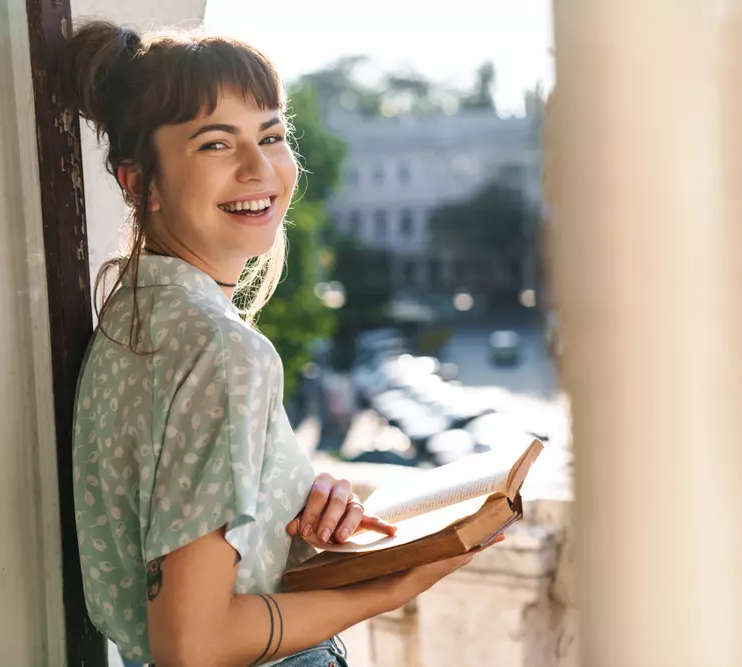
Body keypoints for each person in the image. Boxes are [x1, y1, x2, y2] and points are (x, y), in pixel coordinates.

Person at [58, 21, 501, 667]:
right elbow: (192, 642)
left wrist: (287, 507)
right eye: (215, 144)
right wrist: (387, 587)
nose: (259, 168)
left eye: (272, 135)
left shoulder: (133, 323)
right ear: (138, 183)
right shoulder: (222, 349)